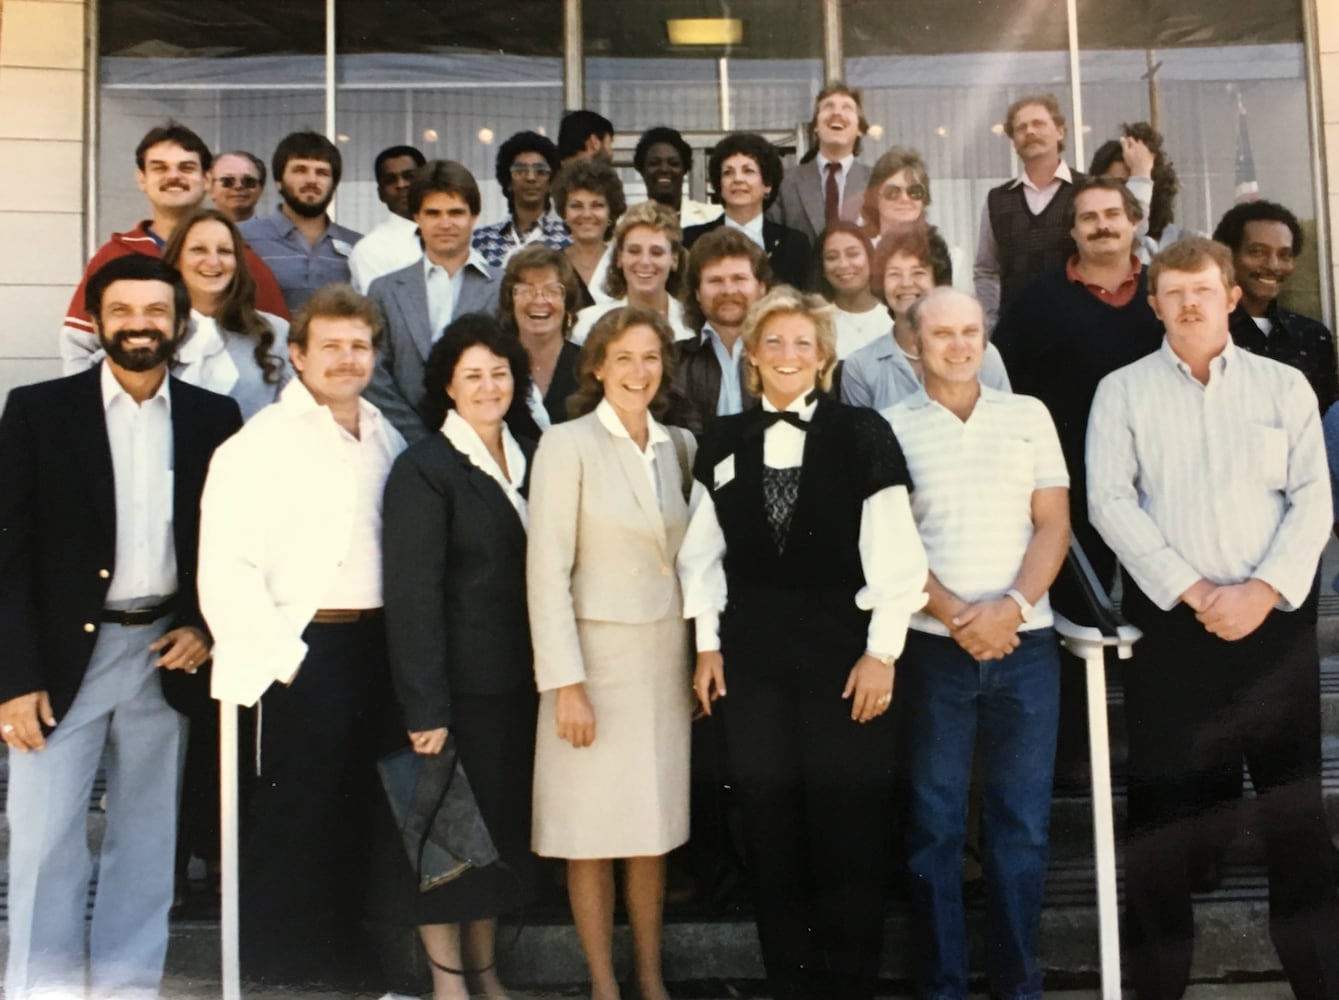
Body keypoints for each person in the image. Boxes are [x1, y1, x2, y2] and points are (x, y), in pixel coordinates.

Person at [1087, 236, 1339, 1000]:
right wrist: (1195, 592)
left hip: (1273, 633)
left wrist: (1258, 592)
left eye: (1202, 289)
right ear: (1154, 303)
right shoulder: (1121, 392)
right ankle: (1158, 989)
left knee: (1294, 818)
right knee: (1162, 818)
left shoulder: (1281, 388)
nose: (1188, 303)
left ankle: (1320, 982)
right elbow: (1107, 503)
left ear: (1230, 296)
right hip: (1173, 633)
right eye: (1172, 292)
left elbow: (1312, 502)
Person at [0, 255, 242, 1000]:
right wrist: (14, 680)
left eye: (155, 311)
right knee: (44, 839)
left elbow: (228, 541)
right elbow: (7, 553)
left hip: (164, 651)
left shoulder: (213, 417)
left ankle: (126, 988)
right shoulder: (39, 410)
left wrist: (205, 624)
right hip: (63, 655)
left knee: (145, 837)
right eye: (124, 311)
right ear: (99, 321)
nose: (140, 324)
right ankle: (42, 989)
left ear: (179, 322)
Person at [683, 286, 928, 1000]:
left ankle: (849, 987)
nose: (788, 355)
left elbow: (896, 556)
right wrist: (705, 644)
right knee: (771, 829)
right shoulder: (722, 441)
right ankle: (790, 985)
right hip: (752, 667)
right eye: (773, 342)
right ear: (753, 358)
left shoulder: (862, 434)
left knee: (847, 832)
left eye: (802, 343)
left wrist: (881, 652)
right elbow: (700, 556)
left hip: (843, 664)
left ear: (822, 357)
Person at [201, 284, 407, 991]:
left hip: (376, 648)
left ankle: (344, 958)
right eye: (332, 346)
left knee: (361, 811)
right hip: (304, 652)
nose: (348, 359)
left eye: (359, 345)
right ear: (297, 355)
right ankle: (279, 967)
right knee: (298, 812)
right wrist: (285, 662)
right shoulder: (261, 443)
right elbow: (225, 565)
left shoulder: (384, 432)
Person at [886, 286, 1070, 1000]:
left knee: (1018, 826)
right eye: (942, 334)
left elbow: (1052, 522)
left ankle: (1016, 982)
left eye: (969, 332)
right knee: (934, 826)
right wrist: (959, 613)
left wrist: (1013, 607)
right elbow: (890, 536)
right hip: (934, 645)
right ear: (914, 342)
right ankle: (942, 986)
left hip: (1026, 648)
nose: (958, 346)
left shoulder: (1026, 416)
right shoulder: (891, 425)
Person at [527, 306, 697, 1000]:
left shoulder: (679, 445)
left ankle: (650, 978)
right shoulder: (564, 445)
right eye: (622, 357)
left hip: (661, 664)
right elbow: (545, 571)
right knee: (590, 831)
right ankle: (602, 983)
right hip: (590, 666)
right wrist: (565, 682)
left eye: (650, 357)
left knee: (650, 829)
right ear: (595, 365)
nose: (637, 371)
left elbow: (696, 563)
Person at [373, 314, 539, 1000]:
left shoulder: (533, 449)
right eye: (471, 375)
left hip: (516, 687)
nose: (487, 385)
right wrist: (425, 707)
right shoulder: (425, 468)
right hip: (452, 693)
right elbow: (413, 598)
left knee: (493, 835)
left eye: (499, 371)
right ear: (446, 385)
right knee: (443, 837)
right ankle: (449, 984)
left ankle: (486, 971)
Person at [61, 121, 288, 371]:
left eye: (186, 167)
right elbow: (79, 344)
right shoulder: (116, 255)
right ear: (142, 179)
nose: (173, 176)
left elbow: (275, 343)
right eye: (159, 168)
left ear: (207, 179)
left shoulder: (237, 260)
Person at [366, 160, 501, 442]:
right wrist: (420, 439)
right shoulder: (385, 290)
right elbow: (374, 376)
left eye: (456, 212)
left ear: (474, 216)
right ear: (417, 216)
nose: (445, 223)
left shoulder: (504, 287)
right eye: (433, 213)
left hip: (484, 443)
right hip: (403, 443)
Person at [842, 225, 1009, 411]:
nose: (906, 283)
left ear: (937, 280)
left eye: (918, 273)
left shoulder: (981, 354)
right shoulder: (860, 367)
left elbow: (1006, 422)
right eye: (894, 274)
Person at [161, 206, 290, 419]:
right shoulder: (153, 329)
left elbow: (295, 413)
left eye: (224, 251)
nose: (213, 261)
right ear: (177, 260)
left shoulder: (275, 332)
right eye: (198, 249)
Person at [974, 93, 1088, 328]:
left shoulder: (1088, 191)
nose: (1030, 132)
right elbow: (986, 269)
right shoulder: (997, 200)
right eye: (1021, 128)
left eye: (1038, 124)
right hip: (1017, 334)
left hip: (1078, 326)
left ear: (1060, 131)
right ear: (1014, 141)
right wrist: (993, 323)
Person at [1214, 199, 1337, 412]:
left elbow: (1325, 425)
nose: (1273, 265)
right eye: (1257, 252)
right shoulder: (1204, 333)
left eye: (1284, 255)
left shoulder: (1311, 336)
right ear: (1227, 256)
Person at [241, 130, 363, 313]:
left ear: (334, 185)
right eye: (300, 170)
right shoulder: (242, 238)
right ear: (278, 181)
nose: (312, 180)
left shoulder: (358, 247)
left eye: (322, 172)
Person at [666, 226, 770, 437]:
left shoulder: (785, 357)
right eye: (715, 280)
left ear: (761, 288)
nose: (728, 290)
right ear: (697, 293)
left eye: (739, 279)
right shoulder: (673, 360)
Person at [684, 132, 811, 290]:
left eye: (748, 171)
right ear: (719, 185)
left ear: (767, 184)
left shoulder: (794, 244)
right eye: (728, 172)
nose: (738, 179)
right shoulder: (691, 240)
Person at [570, 200, 693, 344]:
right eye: (634, 251)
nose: (645, 262)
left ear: (674, 260)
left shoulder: (693, 324)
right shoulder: (587, 324)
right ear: (619, 258)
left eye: (656, 252)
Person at [768, 82, 871, 244]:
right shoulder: (786, 182)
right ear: (816, 126)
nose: (837, 113)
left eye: (847, 108)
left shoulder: (878, 183)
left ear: (860, 129)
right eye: (828, 106)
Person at [499, 243, 584, 437]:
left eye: (552, 291)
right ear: (510, 302)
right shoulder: (497, 366)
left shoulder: (590, 367)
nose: (539, 301)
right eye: (526, 290)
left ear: (567, 302)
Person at [859, 146, 969, 291]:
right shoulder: (857, 254)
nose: (905, 199)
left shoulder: (949, 257)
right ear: (875, 197)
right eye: (892, 192)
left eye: (915, 191)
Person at [473, 130, 571, 268]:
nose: (531, 178)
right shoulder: (481, 240)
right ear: (508, 181)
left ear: (551, 181)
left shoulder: (569, 238)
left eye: (541, 171)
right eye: (520, 171)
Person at [1088, 122, 1183, 261]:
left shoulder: (1180, 244)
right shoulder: (1090, 238)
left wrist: (1142, 173)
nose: (1121, 193)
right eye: (1111, 184)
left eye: (1129, 184)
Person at [349, 144, 428, 292]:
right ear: (381, 193)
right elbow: (384, 308)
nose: (401, 184)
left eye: (409, 176)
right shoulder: (371, 249)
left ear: (428, 182)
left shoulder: (450, 234)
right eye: (390, 180)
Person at [551, 157, 626, 307]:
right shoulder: (552, 265)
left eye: (597, 205)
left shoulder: (624, 264)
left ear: (611, 213)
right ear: (564, 212)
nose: (586, 214)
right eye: (576, 206)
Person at [814, 221, 888, 359]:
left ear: (871, 259)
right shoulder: (816, 323)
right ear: (822, 268)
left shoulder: (894, 318)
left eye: (853, 254)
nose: (843, 264)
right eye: (832, 257)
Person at [635, 125, 722, 227]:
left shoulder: (714, 217)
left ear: (685, 169)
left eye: (673, 163)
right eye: (654, 163)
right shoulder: (625, 223)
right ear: (642, 170)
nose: (664, 169)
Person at [208, 150, 266, 223]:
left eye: (248, 181)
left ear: (261, 189)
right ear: (210, 188)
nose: (238, 186)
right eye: (227, 181)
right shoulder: (194, 233)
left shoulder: (274, 233)